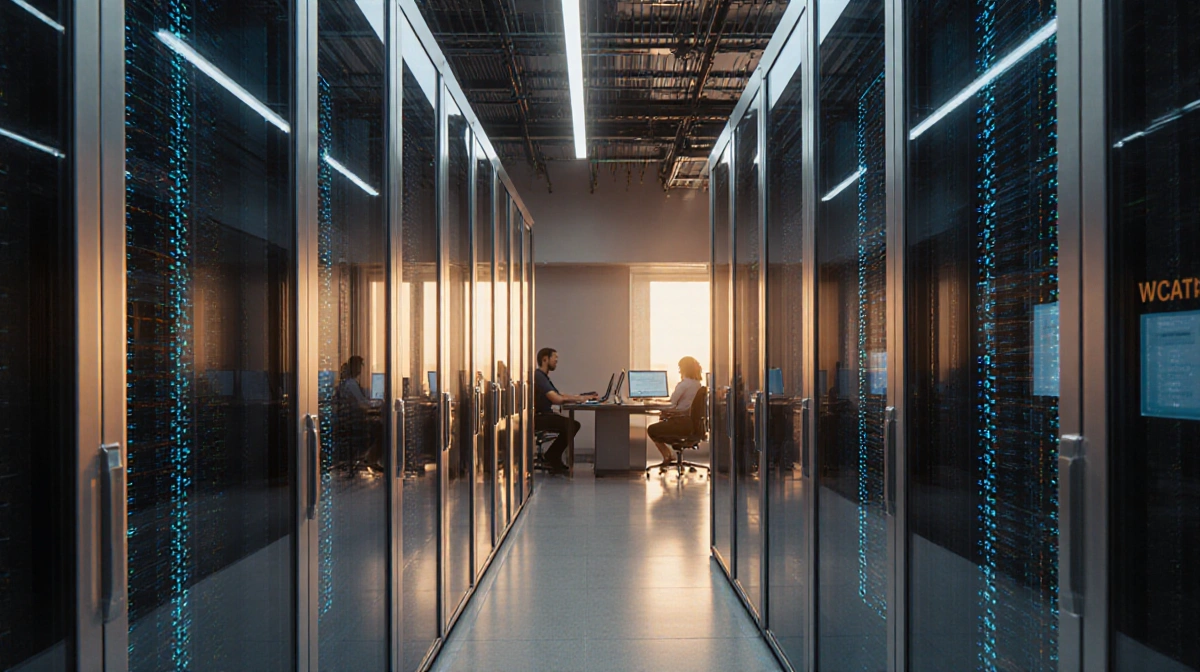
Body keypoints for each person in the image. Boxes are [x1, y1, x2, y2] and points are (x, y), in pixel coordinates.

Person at [534, 347, 597, 472]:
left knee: (571, 425)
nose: (556, 361)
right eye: (554, 358)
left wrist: (580, 397)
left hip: (544, 415)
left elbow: (559, 394)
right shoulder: (539, 377)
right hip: (540, 417)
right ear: (545, 359)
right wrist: (579, 399)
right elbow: (557, 399)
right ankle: (552, 456)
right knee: (572, 425)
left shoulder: (543, 377)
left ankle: (552, 456)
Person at [647, 356, 703, 469]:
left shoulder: (684, 384)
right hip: (691, 424)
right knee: (661, 424)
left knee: (652, 429)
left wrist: (654, 404)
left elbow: (672, 405)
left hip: (681, 423)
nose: (679, 371)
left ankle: (668, 456)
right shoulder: (698, 385)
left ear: (683, 369)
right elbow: (679, 404)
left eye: (680, 368)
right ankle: (669, 456)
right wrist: (660, 402)